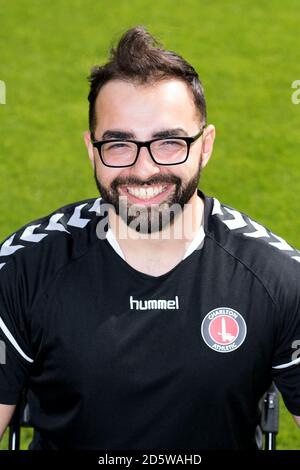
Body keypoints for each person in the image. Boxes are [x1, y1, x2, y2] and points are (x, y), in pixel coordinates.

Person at [0, 25, 299, 450]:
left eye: (170, 142)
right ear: (91, 149)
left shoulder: (278, 279)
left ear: (205, 145)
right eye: (119, 145)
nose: (143, 170)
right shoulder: (22, 269)